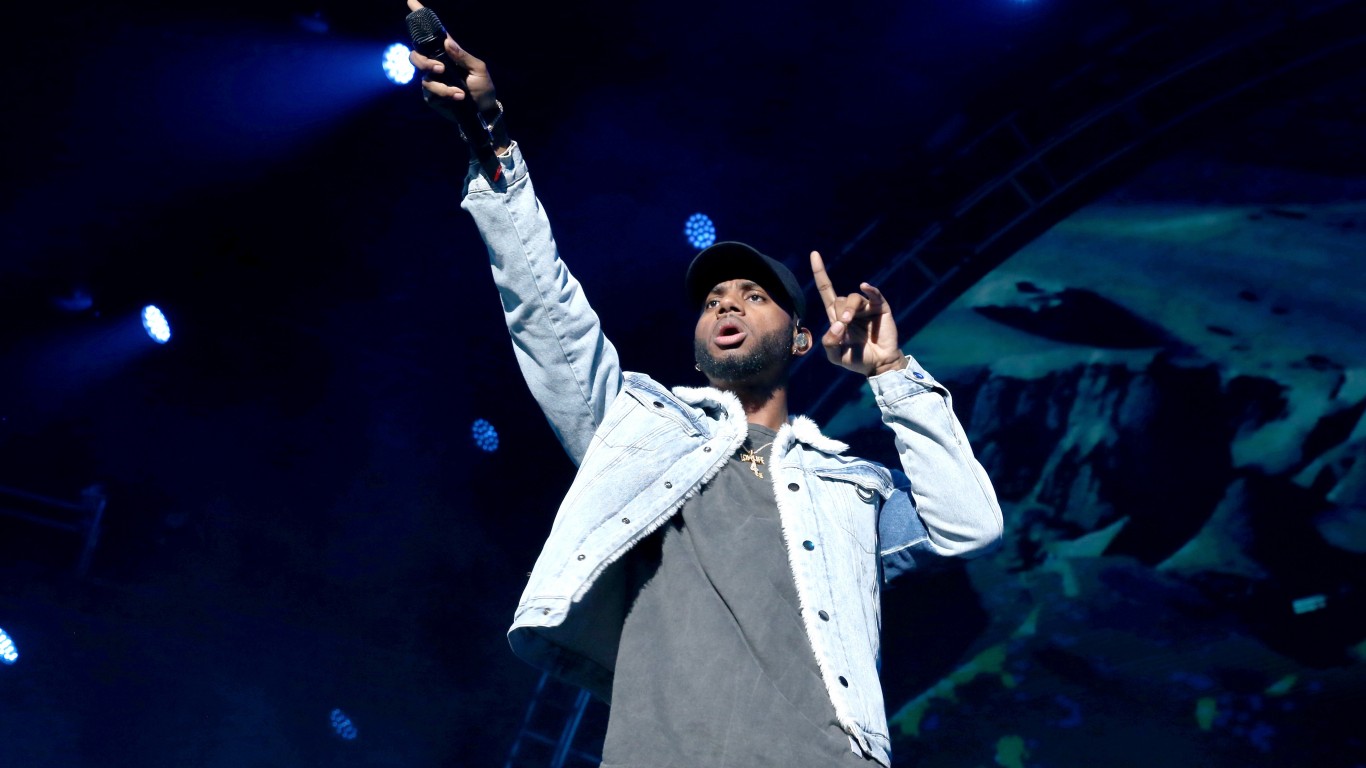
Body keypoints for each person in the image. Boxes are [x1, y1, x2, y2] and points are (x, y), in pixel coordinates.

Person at [405, 3, 1003, 765]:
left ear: (801, 338)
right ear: (697, 350)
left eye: (753, 296)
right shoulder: (640, 430)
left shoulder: (851, 488)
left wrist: (892, 374)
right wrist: (491, 144)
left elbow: (970, 528)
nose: (726, 304)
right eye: (715, 299)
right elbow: (548, 312)